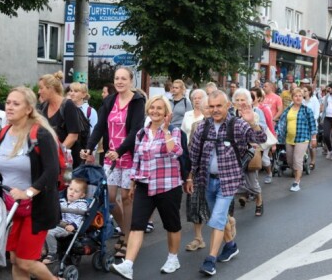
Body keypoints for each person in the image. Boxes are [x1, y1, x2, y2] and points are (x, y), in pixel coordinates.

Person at [0, 86, 61, 280]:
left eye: (16, 104)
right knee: (15, 259)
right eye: (8, 102)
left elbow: (52, 171)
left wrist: (29, 192)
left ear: (28, 109)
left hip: (38, 208)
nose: (9, 107)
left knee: (26, 261)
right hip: (13, 208)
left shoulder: (40, 135)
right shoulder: (3, 133)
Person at [187, 90, 266, 276]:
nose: (215, 110)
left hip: (228, 182)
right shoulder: (202, 127)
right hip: (206, 181)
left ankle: (210, 260)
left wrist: (252, 123)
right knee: (219, 219)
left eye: (219, 106)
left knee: (217, 219)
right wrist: (190, 177)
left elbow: (261, 140)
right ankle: (230, 245)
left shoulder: (238, 125)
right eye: (211, 106)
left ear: (228, 105)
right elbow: (193, 155)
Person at [108, 95, 184, 279]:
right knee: (137, 225)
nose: (155, 111)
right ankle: (128, 264)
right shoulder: (141, 133)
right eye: (152, 108)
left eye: (160, 108)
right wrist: (133, 182)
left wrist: (165, 130)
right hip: (144, 184)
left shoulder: (173, 131)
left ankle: (173, 258)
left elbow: (175, 152)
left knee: (172, 225)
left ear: (166, 113)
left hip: (168, 186)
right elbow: (137, 159)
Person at [82, 68, 146, 258]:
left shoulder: (137, 101)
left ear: (130, 80)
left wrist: (119, 151)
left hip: (129, 155)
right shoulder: (109, 100)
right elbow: (100, 126)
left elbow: (136, 130)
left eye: (123, 78)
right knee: (109, 197)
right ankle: (123, 229)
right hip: (111, 156)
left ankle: (127, 238)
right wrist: (89, 147)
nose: (119, 81)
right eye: (117, 78)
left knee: (127, 197)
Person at [276, 88, 318, 191]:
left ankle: (296, 182)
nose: (298, 98)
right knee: (290, 161)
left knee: (297, 160)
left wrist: (314, 138)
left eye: (300, 96)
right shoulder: (288, 110)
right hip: (289, 139)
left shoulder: (307, 110)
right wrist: (277, 134)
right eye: (296, 96)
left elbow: (312, 125)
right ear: (292, 98)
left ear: (302, 97)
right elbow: (282, 123)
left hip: (302, 138)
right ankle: (296, 175)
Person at [38, 72, 82, 169]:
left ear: (51, 88)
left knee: (66, 184)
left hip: (68, 163)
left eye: (41, 88)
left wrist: (56, 153)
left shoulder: (68, 105)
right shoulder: (42, 107)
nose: (39, 92)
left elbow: (73, 136)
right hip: (49, 161)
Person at [232, 89, 265, 216]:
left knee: (252, 183)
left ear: (249, 101)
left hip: (249, 152)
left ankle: (259, 201)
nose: (240, 103)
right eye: (238, 100)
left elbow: (261, 134)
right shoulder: (230, 114)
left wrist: (251, 122)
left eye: (243, 100)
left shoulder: (255, 113)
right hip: (233, 152)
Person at [185, 98, 211, 252]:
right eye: (206, 107)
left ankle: (227, 235)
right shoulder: (196, 126)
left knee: (216, 207)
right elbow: (190, 151)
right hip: (198, 171)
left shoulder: (226, 125)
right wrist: (189, 176)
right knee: (194, 205)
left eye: (211, 107)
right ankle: (198, 238)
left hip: (217, 173)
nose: (209, 110)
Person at [42, 178, 88, 265]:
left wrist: (74, 226)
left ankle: (52, 254)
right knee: (40, 228)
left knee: (49, 233)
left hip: (68, 227)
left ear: (82, 195)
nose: (72, 192)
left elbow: (81, 218)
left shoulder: (82, 204)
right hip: (58, 224)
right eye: (70, 189)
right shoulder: (61, 201)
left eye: (76, 191)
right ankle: (43, 250)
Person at [251, 87, 276, 184]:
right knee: (253, 161)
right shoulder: (245, 109)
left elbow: (269, 124)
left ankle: (269, 173)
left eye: (253, 96)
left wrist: (274, 143)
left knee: (264, 159)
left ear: (258, 98)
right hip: (251, 140)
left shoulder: (263, 109)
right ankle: (253, 184)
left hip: (262, 137)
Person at [302, 85, 320, 170]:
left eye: (305, 91)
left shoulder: (314, 100)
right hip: (302, 125)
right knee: (303, 144)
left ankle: (312, 161)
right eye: (302, 91)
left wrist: (310, 120)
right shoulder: (301, 101)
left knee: (311, 145)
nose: (303, 92)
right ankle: (304, 160)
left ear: (309, 92)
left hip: (312, 125)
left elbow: (316, 114)